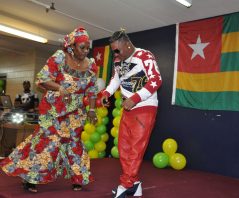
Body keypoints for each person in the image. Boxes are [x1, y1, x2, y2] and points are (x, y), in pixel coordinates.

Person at [0, 27, 98, 193]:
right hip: (53, 110)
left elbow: (92, 91)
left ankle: (78, 178)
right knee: (48, 143)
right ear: (72, 46)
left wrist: (92, 110)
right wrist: (59, 87)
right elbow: (42, 80)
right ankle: (31, 178)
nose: (86, 51)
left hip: (75, 112)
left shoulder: (91, 65)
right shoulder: (59, 57)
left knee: (74, 144)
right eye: (82, 47)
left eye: (88, 47)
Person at [101, 29, 162, 198]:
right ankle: (135, 184)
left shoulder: (144, 56)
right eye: (114, 50)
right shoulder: (118, 59)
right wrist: (107, 93)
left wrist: (135, 98)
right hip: (128, 108)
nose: (116, 53)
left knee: (135, 149)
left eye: (118, 49)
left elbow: (156, 80)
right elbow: (116, 79)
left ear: (127, 44)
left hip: (145, 107)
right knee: (124, 148)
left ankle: (126, 184)